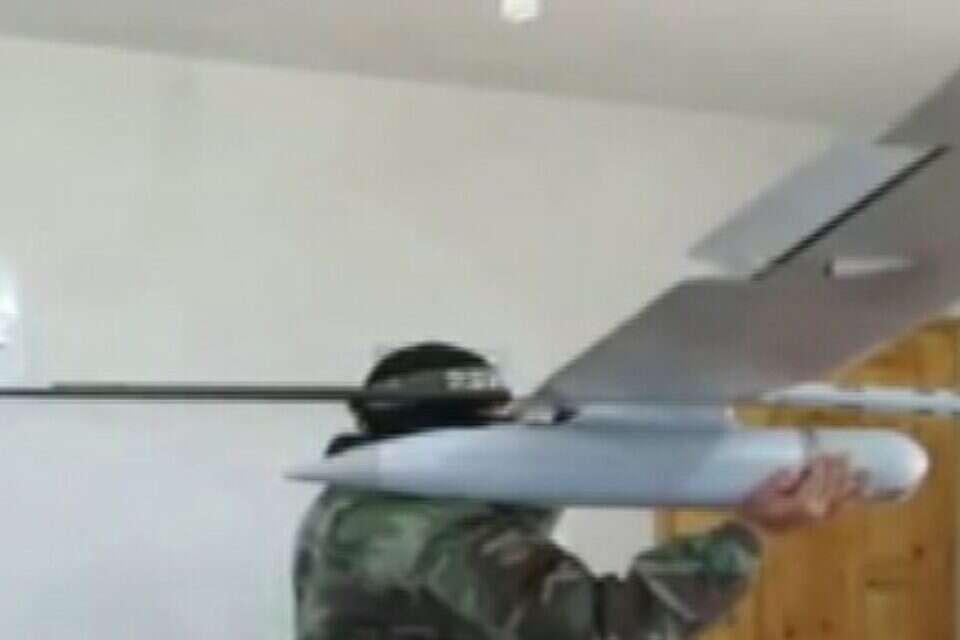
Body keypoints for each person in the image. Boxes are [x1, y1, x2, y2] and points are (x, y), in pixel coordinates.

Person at [294, 342, 864, 640]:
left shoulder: (360, 503)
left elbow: (490, 573)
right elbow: (608, 628)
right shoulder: (431, 528)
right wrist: (752, 533)